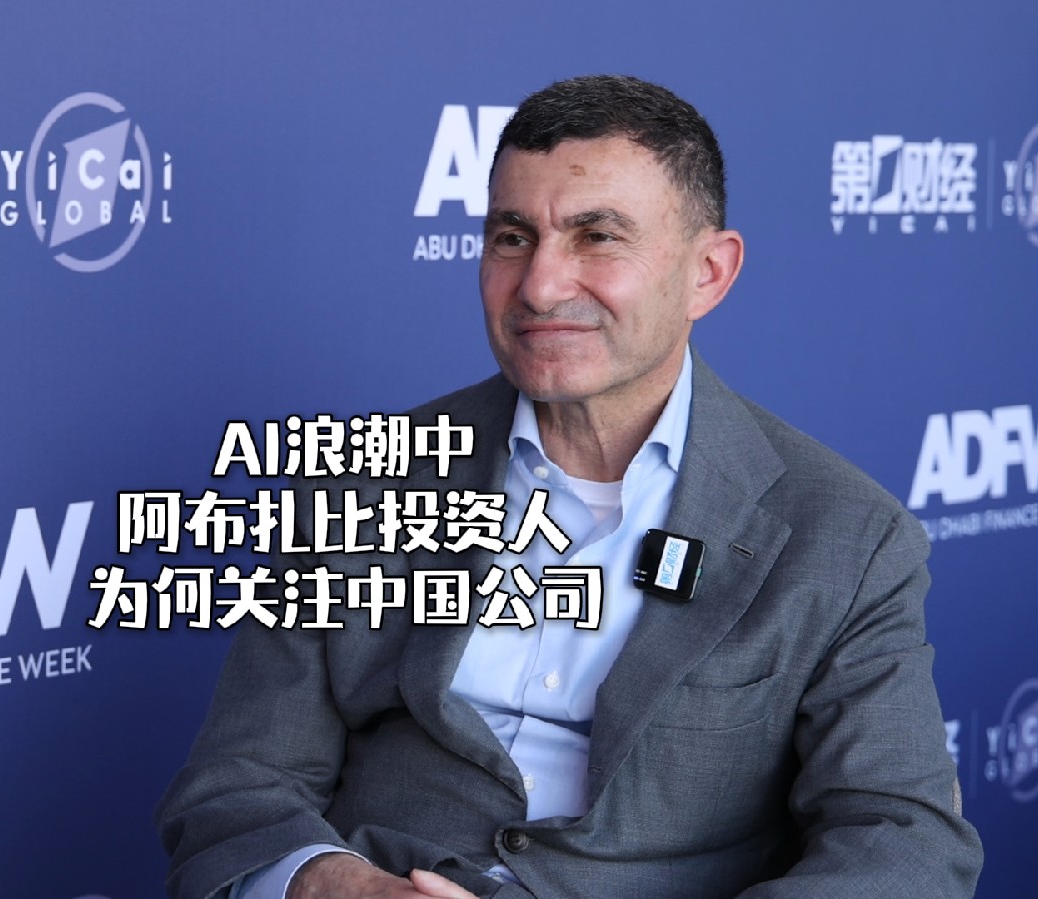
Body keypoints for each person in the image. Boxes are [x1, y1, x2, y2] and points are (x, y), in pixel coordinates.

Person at [156, 74, 984, 899]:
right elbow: (239, 781)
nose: (540, 285)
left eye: (597, 236)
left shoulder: (843, 534)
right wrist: (336, 886)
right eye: (512, 237)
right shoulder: (365, 477)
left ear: (707, 272)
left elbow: (901, 843)